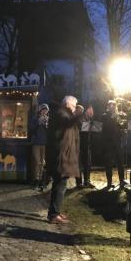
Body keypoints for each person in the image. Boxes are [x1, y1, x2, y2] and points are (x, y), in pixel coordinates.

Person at [46, 95, 84, 224]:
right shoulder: (61, 113)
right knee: (60, 185)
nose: (75, 109)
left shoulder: (64, 114)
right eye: (74, 106)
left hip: (64, 156)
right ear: (68, 104)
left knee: (59, 185)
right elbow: (68, 123)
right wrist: (80, 114)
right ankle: (53, 214)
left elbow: (73, 126)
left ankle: (54, 212)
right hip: (61, 157)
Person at [101, 100, 126, 190]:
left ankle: (122, 180)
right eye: (110, 105)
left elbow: (122, 126)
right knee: (108, 163)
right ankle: (109, 182)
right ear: (108, 106)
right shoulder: (104, 116)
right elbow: (106, 127)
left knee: (120, 162)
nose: (112, 107)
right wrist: (112, 117)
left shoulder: (118, 115)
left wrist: (123, 129)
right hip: (108, 143)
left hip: (118, 142)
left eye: (114, 105)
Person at [29, 103, 50, 191]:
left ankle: (41, 179)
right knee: (37, 162)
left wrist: (47, 125)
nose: (44, 112)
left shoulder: (48, 119)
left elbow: (50, 132)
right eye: (43, 110)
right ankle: (36, 179)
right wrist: (38, 123)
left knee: (43, 162)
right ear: (40, 111)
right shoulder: (35, 119)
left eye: (46, 110)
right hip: (36, 142)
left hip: (44, 143)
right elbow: (31, 129)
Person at [77, 103, 95, 189]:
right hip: (79, 143)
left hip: (87, 144)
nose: (92, 111)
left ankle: (87, 181)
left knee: (88, 163)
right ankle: (79, 182)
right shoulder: (81, 117)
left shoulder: (89, 119)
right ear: (87, 110)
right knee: (79, 163)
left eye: (92, 110)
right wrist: (87, 125)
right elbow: (80, 128)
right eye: (90, 110)